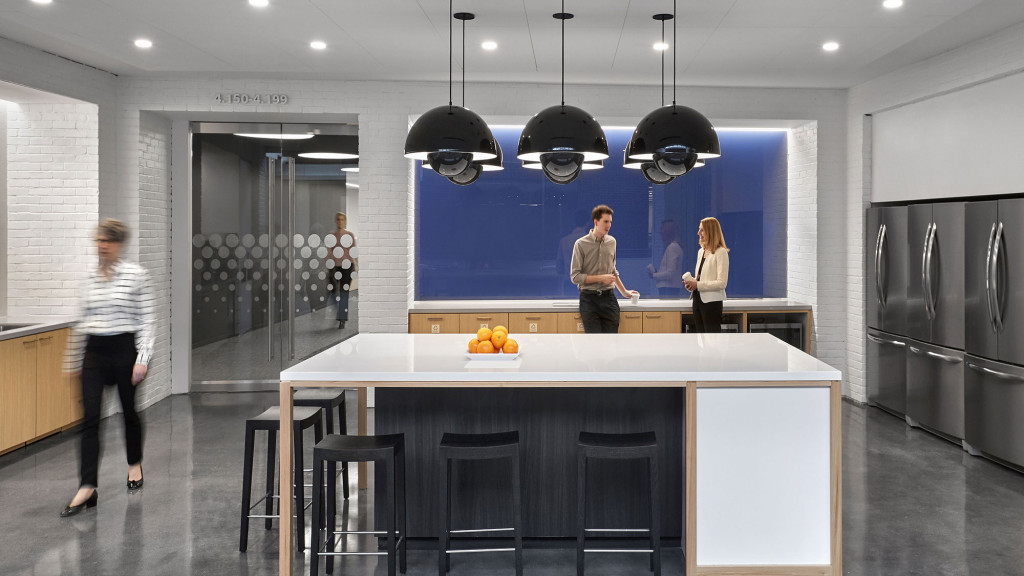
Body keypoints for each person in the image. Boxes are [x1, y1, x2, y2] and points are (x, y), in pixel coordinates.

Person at [61, 218, 156, 517]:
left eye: (107, 241)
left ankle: (134, 464)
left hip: (123, 349)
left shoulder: (136, 276)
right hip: (94, 351)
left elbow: (147, 320)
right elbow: (82, 320)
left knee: (129, 412)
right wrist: (74, 360)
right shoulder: (89, 278)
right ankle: (87, 486)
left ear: (118, 244)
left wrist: (142, 359)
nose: (101, 246)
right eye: (99, 241)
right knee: (89, 419)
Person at [569, 204, 639, 333]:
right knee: (595, 344)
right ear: (596, 222)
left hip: (609, 298)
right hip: (588, 299)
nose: (609, 225)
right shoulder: (580, 244)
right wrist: (601, 278)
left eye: (610, 222)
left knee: (612, 342)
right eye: (605, 221)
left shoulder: (612, 242)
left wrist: (624, 292)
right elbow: (575, 277)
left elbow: (612, 271)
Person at [684, 217, 730, 333]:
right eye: (699, 230)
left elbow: (722, 283)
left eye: (702, 230)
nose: (698, 233)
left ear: (711, 231)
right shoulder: (701, 251)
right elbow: (702, 278)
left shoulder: (721, 252)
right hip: (697, 301)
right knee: (700, 339)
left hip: (711, 303)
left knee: (712, 340)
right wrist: (692, 284)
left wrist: (697, 285)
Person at [328, 212, 357, 330]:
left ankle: (342, 320)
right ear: (336, 221)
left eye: (342, 219)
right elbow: (329, 251)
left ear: (345, 221)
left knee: (344, 294)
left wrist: (357, 265)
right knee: (334, 292)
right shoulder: (332, 235)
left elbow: (353, 250)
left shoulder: (349, 235)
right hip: (335, 267)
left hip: (347, 267)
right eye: (338, 219)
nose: (340, 221)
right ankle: (340, 312)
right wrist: (326, 265)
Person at [647, 219, 684, 297]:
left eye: (662, 229)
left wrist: (654, 275)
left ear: (668, 232)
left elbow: (670, 274)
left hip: (669, 288)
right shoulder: (674, 247)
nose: (660, 232)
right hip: (670, 288)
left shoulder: (673, 247)